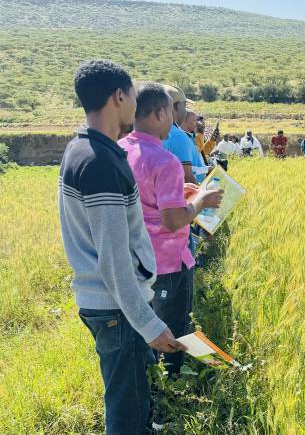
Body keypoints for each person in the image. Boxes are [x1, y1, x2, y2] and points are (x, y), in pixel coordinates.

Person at [58, 60, 184, 435]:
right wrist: (147, 323)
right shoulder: (101, 164)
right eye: (132, 95)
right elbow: (114, 260)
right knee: (126, 407)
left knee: (128, 393)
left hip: (106, 304)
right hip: (116, 308)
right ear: (118, 97)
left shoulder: (81, 148)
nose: (135, 103)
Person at [118, 83, 223, 379]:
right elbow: (173, 221)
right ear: (161, 112)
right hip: (168, 264)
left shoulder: (120, 150)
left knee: (144, 330)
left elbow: (146, 202)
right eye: (171, 114)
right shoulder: (164, 159)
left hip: (134, 262)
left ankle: (147, 384)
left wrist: (181, 193)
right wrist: (201, 200)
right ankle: (170, 393)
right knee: (173, 333)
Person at [162, 85, 199, 185]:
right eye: (184, 105)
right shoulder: (178, 136)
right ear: (176, 106)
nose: (185, 110)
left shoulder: (152, 131)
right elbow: (188, 179)